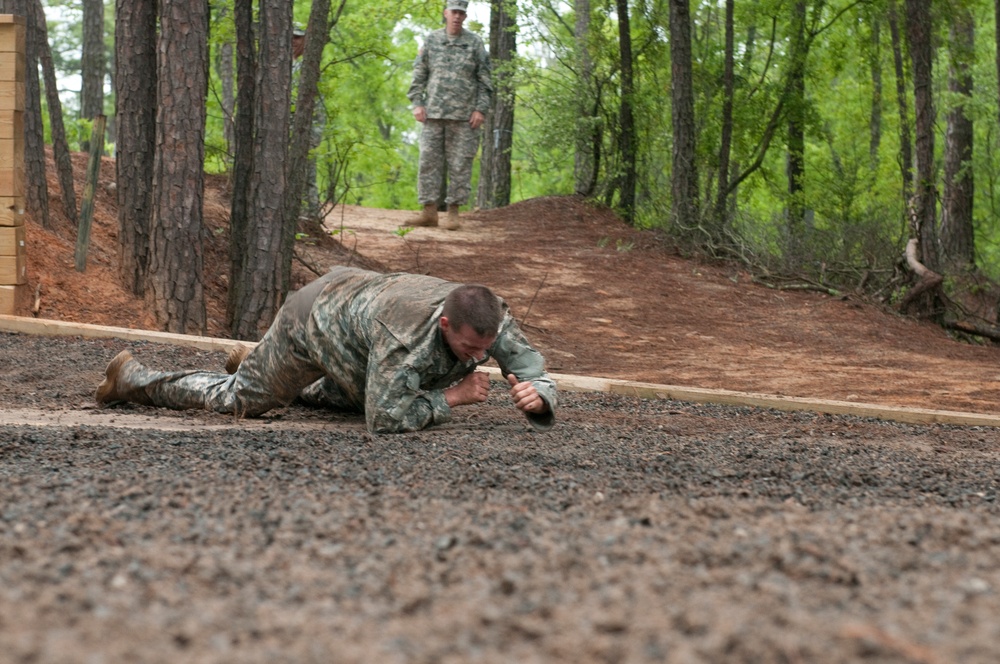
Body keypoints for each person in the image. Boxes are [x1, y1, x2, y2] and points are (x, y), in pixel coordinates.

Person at [96, 267, 557, 434]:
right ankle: (132, 379)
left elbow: (530, 365)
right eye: (469, 348)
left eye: (487, 348)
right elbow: (386, 420)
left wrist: (539, 395)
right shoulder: (404, 338)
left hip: (357, 334)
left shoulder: (489, 317)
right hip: (312, 318)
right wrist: (453, 396)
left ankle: (269, 370)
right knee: (242, 400)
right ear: (444, 323)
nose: (479, 357)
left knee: (354, 396)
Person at [406, 0, 493, 231]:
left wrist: (480, 109)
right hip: (433, 113)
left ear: (465, 17)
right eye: (454, 12)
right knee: (428, 162)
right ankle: (429, 211)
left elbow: (485, 80)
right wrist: (417, 102)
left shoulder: (474, 43)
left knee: (460, 164)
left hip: (465, 117)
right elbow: (419, 73)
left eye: (461, 13)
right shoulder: (432, 40)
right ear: (446, 13)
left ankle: (453, 212)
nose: (457, 17)